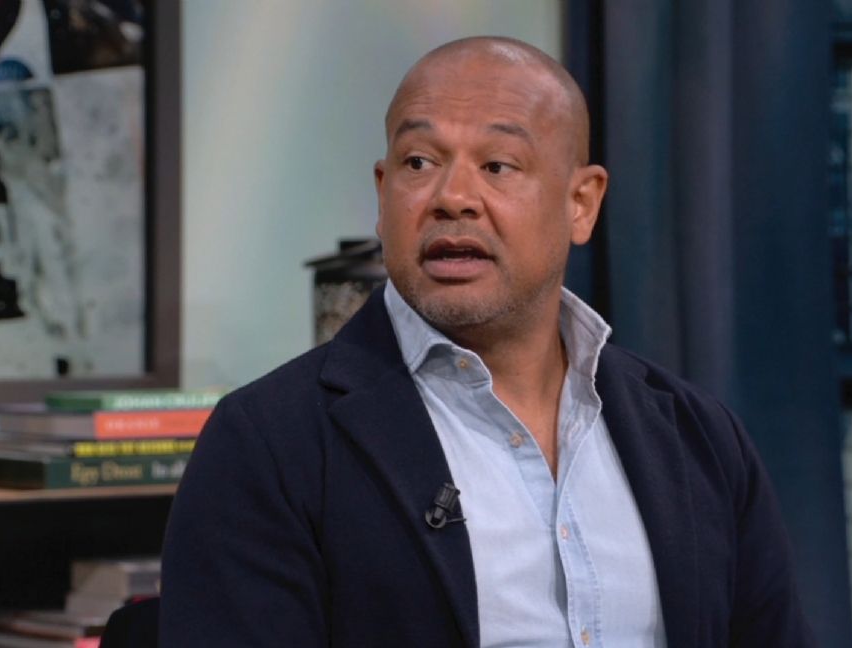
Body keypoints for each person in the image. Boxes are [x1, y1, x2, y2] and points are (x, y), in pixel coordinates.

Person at [161, 36, 814, 648]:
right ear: (384, 194)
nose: (453, 198)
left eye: (498, 165)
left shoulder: (697, 436)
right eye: (419, 163)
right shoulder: (269, 443)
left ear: (581, 203)